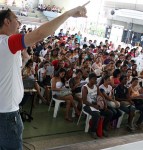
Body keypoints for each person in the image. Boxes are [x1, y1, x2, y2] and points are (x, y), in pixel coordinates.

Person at [0, 2, 89, 149]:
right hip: (6, 116)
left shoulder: (7, 47)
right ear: (7, 21)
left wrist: (24, 57)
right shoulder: (7, 43)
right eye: (16, 19)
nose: (19, 23)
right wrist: (68, 14)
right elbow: (40, 34)